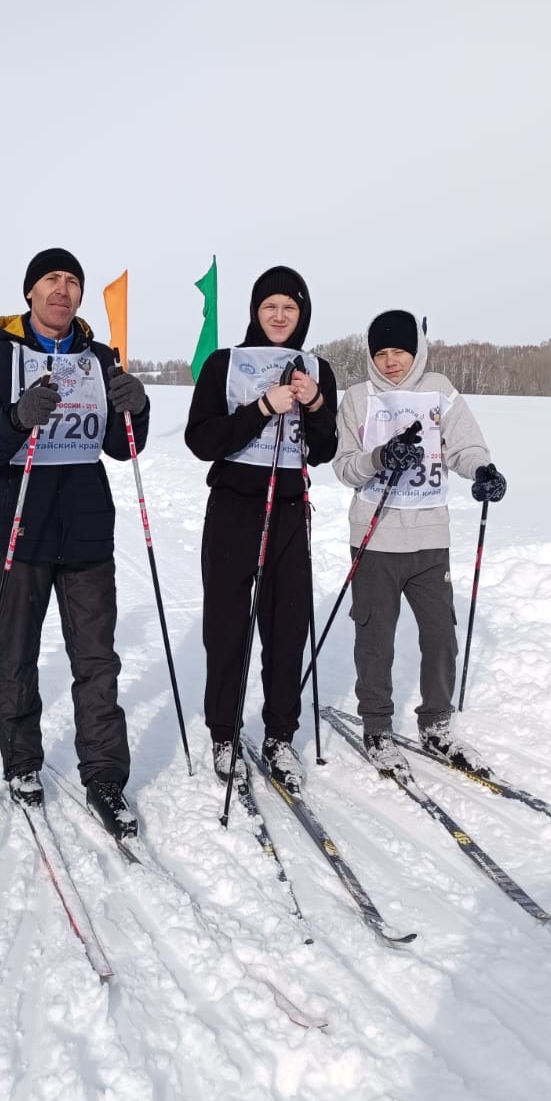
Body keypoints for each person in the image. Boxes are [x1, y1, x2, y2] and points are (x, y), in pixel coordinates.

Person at [0, 248, 149, 839]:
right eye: (51, 280)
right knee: (16, 652)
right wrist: (18, 417)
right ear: (30, 293)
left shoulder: (98, 357)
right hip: (19, 525)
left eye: (72, 282)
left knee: (97, 660)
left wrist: (136, 407)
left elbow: (123, 447)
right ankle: (21, 762)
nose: (62, 290)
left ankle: (106, 775)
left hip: (88, 529)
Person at [330, 309, 506, 779]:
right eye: (381, 353)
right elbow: (344, 465)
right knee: (375, 639)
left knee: (440, 635)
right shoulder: (357, 398)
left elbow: (464, 446)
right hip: (375, 537)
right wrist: (380, 456)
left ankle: (437, 722)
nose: (390, 362)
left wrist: (482, 471)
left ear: (416, 351)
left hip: (430, 538)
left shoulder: (440, 391)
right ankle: (377, 727)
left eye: (399, 352)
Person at [184, 266, 338, 793]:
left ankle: (279, 735)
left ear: (303, 315)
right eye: (270, 306)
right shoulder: (223, 363)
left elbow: (323, 449)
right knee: (227, 626)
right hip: (233, 506)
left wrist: (314, 403)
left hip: (290, 508)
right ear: (255, 311)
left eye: (290, 308)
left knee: (286, 625)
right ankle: (223, 732)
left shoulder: (319, 369)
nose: (279, 316)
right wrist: (262, 408)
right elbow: (202, 439)